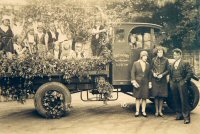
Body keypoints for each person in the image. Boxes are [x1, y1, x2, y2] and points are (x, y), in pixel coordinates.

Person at [169, 48, 193, 124]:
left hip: (182, 83)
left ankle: (186, 117)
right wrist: (171, 82)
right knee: (176, 99)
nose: (174, 56)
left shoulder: (185, 63)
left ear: (180, 55)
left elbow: (190, 73)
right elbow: (171, 74)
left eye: (176, 55)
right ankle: (179, 114)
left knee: (184, 100)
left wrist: (185, 81)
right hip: (174, 83)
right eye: (174, 55)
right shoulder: (172, 64)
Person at [131, 51, 152, 117]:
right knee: (137, 97)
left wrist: (149, 82)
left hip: (145, 83)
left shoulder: (148, 64)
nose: (146, 57)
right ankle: (137, 111)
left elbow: (149, 75)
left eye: (146, 56)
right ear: (141, 56)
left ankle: (143, 111)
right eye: (144, 56)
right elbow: (132, 73)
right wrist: (134, 81)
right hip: (138, 83)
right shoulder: (136, 63)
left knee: (144, 98)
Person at [151, 47, 169, 117]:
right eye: (158, 52)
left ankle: (160, 111)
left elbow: (168, 70)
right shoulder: (153, 59)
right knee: (156, 96)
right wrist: (154, 73)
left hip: (162, 80)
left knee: (161, 96)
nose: (160, 53)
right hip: (155, 80)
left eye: (161, 52)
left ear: (163, 53)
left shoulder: (166, 60)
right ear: (156, 53)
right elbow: (151, 69)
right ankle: (156, 111)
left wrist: (162, 75)